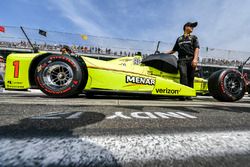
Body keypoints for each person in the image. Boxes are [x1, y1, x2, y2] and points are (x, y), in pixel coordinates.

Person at [165, 22, 200, 100]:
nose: (192, 28)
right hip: (182, 60)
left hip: (191, 59)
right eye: (191, 26)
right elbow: (173, 50)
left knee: (190, 77)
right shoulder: (179, 39)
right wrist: (163, 53)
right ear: (186, 27)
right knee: (183, 75)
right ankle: (183, 94)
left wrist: (195, 59)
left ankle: (189, 94)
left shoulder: (194, 37)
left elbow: (197, 48)